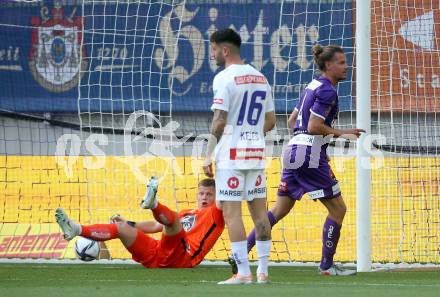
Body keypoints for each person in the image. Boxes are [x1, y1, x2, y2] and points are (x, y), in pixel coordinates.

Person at [245, 44, 364, 276]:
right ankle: (327, 266)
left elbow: (292, 121)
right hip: (308, 154)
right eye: (341, 62)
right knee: (338, 209)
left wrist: (315, 147)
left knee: (279, 209)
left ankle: (239, 254)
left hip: (292, 151)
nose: (346, 66)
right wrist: (344, 132)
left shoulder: (312, 85)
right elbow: (314, 126)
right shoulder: (328, 90)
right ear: (328, 65)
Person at [203, 28, 276, 284]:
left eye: (213, 49)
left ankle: (243, 272)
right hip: (255, 153)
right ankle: (264, 271)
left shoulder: (224, 78)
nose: (211, 55)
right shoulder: (260, 77)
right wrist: (252, 134)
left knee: (232, 214)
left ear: (224, 50)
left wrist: (208, 154)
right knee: (260, 214)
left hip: (231, 155)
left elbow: (219, 121)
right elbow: (270, 120)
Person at [55, 177, 224, 268]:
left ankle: (154, 205)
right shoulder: (186, 212)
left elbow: (226, 192)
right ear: (196, 195)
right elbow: (155, 226)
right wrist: (130, 223)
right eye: (201, 193)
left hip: (183, 258)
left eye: (209, 194)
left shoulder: (216, 213)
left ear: (217, 197)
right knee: (121, 228)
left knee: (172, 222)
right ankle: (75, 229)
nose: (204, 197)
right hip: (158, 256)